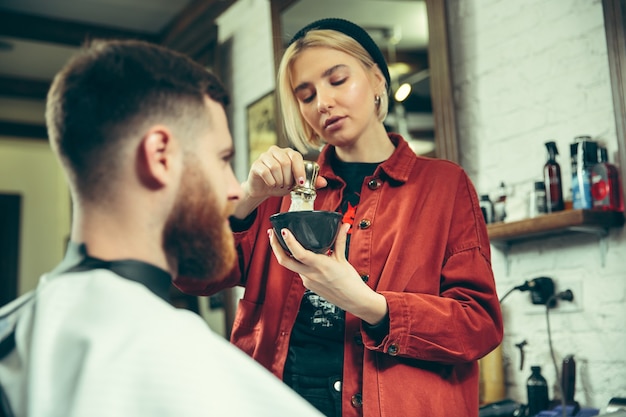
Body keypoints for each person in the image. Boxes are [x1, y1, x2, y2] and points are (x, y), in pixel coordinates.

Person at [175, 18, 503, 417]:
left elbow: (479, 324)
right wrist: (248, 197)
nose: (322, 103)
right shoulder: (282, 193)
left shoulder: (445, 186)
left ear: (378, 80)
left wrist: (371, 306)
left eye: (337, 80)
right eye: (306, 94)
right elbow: (191, 274)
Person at [0, 39, 324, 417]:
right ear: (159, 156)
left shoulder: (14, 330)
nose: (235, 190)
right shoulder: (185, 366)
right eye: (222, 160)